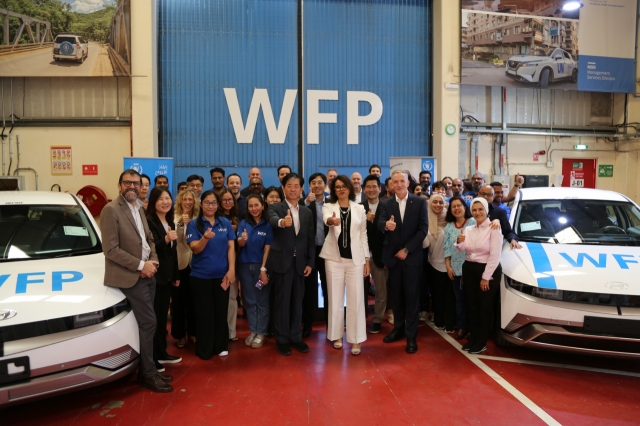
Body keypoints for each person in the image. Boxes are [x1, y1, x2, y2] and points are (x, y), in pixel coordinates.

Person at [100, 169, 171, 392]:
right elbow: (110, 249)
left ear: (141, 186)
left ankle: (145, 370)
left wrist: (153, 262)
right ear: (119, 185)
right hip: (130, 276)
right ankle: (148, 374)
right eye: (127, 183)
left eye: (136, 184)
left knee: (147, 324)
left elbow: (148, 240)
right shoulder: (111, 210)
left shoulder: (139, 208)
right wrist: (141, 266)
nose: (132, 187)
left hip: (147, 273)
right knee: (149, 322)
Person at [378, 170, 428, 354]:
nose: (398, 184)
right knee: (397, 297)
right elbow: (379, 223)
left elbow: (423, 229)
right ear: (391, 184)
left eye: (402, 181)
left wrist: (407, 249)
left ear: (408, 183)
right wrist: (385, 225)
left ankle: (411, 335)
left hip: (411, 258)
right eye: (395, 181)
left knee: (412, 298)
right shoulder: (385, 203)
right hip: (393, 260)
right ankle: (398, 329)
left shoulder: (420, 202)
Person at [267, 173, 315, 356]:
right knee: (282, 303)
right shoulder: (275, 208)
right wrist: (282, 222)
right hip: (281, 264)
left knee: (297, 302)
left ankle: (296, 337)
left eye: (297, 186)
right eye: (289, 185)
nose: (293, 189)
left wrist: (310, 262)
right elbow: (272, 220)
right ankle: (282, 339)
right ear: (283, 188)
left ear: (301, 189)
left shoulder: (306, 212)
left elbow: (310, 239)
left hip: (300, 264)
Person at [321, 175, 369, 355]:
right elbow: (327, 218)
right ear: (334, 190)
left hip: (356, 260)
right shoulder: (328, 206)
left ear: (350, 188)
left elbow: (363, 235)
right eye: (337, 187)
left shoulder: (359, 208)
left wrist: (366, 260)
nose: (341, 189)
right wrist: (331, 221)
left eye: (344, 186)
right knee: (335, 300)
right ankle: (337, 336)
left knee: (356, 301)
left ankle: (356, 339)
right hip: (333, 259)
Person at [187, 190, 236, 359]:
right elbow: (195, 248)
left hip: (222, 276)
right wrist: (205, 238)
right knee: (204, 314)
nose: (210, 206)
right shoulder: (194, 224)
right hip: (201, 277)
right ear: (201, 204)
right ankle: (205, 349)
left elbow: (231, 247)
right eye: (207, 202)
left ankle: (221, 345)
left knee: (221, 312)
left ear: (218, 205)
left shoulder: (224, 223)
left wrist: (231, 270)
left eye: (214, 203)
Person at [455, 197, 502, 354]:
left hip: (487, 271)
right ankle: (474, 338)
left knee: (484, 308)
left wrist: (485, 277)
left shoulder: (494, 228)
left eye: (480, 209)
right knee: (472, 307)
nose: (477, 212)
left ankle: (481, 342)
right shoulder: (469, 229)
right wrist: (459, 241)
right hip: (469, 269)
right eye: (474, 210)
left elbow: (495, 255)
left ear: (486, 210)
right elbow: (462, 249)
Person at [146, 187, 182, 371]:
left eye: (167, 198)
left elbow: (172, 253)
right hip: (155, 277)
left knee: (162, 319)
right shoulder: (149, 222)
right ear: (153, 202)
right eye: (160, 199)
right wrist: (166, 239)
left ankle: (162, 352)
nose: (165, 202)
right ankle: (153, 356)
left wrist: (175, 275)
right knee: (156, 318)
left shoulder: (170, 222)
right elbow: (153, 248)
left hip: (167, 277)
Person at [237, 194, 273, 349]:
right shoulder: (243, 223)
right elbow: (239, 242)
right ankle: (253, 331)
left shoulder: (267, 225)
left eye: (256, 205)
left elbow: (268, 248)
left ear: (262, 205)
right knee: (250, 301)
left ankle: (261, 333)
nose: (253, 209)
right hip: (245, 268)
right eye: (250, 206)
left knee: (261, 300)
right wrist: (243, 238)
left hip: (260, 269)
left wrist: (263, 269)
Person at [422, 193, 455, 333]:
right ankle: (439, 320)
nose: (438, 205)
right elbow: (424, 245)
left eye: (441, 202)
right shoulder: (426, 220)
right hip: (434, 264)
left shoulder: (450, 220)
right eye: (434, 202)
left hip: (452, 264)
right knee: (437, 295)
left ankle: (450, 322)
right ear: (430, 204)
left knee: (450, 296)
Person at [443, 197, 475, 340]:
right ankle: (462, 327)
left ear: (465, 207)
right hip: (455, 269)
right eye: (453, 206)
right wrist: (448, 266)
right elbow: (447, 248)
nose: (456, 208)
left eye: (459, 205)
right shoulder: (449, 226)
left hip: (472, 267)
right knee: (460, 300)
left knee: (472, 300)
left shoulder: (474, 222)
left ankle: (473, 329)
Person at [302, 172, 329, 337]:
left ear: (325, 185)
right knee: (308, 291)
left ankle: (331, 324)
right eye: (313, 182)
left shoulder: (332, 203)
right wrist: (305, 203)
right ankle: (307, 324)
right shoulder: (304, 204)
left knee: (329, 289)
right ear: (310, 186)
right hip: (309, 252)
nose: (317, 185)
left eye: (320, 182)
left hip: (327, 252)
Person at [172, 189, 200, 348]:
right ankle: (180, 335)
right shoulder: (174, 218)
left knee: (194, 301)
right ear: (180, 202)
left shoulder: (198, 218)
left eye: (191, 199)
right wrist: (182, 224)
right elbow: (178, 240)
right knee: (178, 302)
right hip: (180, 264)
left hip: (196, 264)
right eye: (185, 199)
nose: (188, 202)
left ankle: (194, 332)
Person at [361, 174, 388, 334]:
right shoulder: (358, 207)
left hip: (380, 255)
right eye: (368, 187)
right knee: (359, 290)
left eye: (374, 186)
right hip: (361, 255)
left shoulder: (387, 206)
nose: (371, 189)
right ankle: (358, 318)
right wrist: (365, 220)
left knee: (380, 290)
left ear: (380, 188)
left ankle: (377, 319)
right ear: (364, 190)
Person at [219, 188, 241, 342]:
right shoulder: (215, 218)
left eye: (230, 200)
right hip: (219, 263)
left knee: (232, 298)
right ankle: (220, 329)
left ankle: (231, 331)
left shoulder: (240, 218)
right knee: (220, 299)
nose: (227, 202)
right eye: (224, 200)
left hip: (236, 262)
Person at [478, 185, 521, 249]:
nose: (485, 197)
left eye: (489, 194)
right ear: (478, 194)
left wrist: (513, 239)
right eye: (483, 194)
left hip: (490, 248)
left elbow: (507, 231)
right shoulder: (470, 210)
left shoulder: (500, 212)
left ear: (493, 196)